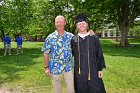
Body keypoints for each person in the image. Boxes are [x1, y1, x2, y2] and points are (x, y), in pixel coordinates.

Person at [71, 14, 106, 93]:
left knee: (97, 89)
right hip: (79, 72)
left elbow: (99, 53)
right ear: (77, 26)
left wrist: (100, 69)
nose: (81, 25)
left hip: (93, 70)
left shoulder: (94, 38)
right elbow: (71, 53)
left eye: (83, 23)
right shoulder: (74, 39)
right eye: (79, 24)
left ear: (87, 24)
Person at [42, 15, 75, 93]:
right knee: (57, 91)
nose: (59, 24)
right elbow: (46, 53)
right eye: (57, 22)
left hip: (68, 68)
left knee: (71, 90)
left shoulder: (71, 37)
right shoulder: (50, 37)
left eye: (61, 22)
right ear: (55, 23)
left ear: (65, 23)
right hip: (55, 68)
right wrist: (46, 67)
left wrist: (89, 34)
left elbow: (82, 41)